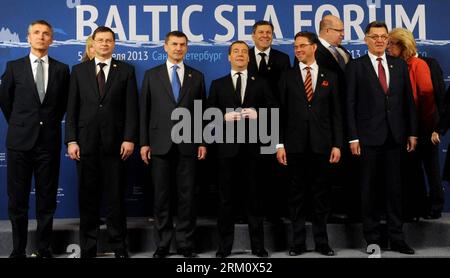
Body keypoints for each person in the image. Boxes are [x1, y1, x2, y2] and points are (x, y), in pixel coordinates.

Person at [65, 26, 139, 258]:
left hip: (116, 146)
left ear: (114, 44)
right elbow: (72, 110)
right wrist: (71, 140)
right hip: (85, 145)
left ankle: (119, 247)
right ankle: (88, 248)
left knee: (115, 199)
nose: (105, 44)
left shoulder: (126, 70)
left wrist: (129, 138)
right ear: (93, 43)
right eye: (100, 40)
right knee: (88, 199)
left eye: (109, 40)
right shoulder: (78, 70)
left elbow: (131, 109)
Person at [346, 21, 418, 255]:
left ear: (388, 40)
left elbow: (408, 101)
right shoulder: (356, 66)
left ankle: (397, 239)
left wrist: (412, 132)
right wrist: (353, 138)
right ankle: (373, 240)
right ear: (366, 39)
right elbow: (350, 104)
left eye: (383, 37)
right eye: (374, 36)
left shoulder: (399, 65)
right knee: (369, 192)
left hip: (395, 137)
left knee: (395, 191)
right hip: (367, 139)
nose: (379, 40)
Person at [0, 20, 70, 258]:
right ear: (28, 38)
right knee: (17, 200)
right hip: (19, 143)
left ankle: (44, 248)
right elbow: (6, 102)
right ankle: (18, 250)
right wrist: (22, 125)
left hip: (48, 143)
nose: (41, 36)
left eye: (46, 33)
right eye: (36, 33)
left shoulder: (62, 70)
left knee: (47, 200)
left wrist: (45, 125)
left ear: (52, 39)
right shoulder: (13, 67)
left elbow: (62, 106)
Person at [139, 31, 207, 258]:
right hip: (159, 145)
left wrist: (202, 141)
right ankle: (163, 244)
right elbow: (144, 112)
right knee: (162, 197)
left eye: (182, 45)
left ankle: (186, 243)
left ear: (187, 48)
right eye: (174, 44)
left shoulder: (196, 77)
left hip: (188, 145)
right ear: (165, 47)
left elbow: (202, 113)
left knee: (187, 198)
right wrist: (144, 143)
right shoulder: (151, 75)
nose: (178, 48)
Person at [276, 31, 342, 256]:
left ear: (314, 47)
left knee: (321, 196)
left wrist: (337, 145)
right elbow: (279, 114)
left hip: (323, 146)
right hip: (294, 147)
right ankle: (298, 243)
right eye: (295, 47)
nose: (298, 50)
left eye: (302, 46)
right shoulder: (287, 76)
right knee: (296, 196)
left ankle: (322, 243)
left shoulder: (330, 76)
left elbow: (336, 114)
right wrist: (279, 144)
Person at [208, 41, 275, 258]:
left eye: (244, 52)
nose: (240, 55)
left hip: (254, 152)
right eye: (235, 52)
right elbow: (207, 116)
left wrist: (260, 115)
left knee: (255, 200)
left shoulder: (261, 83)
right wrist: (222, 117)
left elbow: (275, 111)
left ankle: (258, 247)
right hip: (226, 152)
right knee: (225, 201)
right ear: (229, 57)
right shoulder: (218, 84)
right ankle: (224, 248)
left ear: (249, 58)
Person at [387, 28, 444, 221]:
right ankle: (417, 207)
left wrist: (429, 127)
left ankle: (435, 206)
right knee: (412, 170)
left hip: (423, 127)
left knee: (430, 167)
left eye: (391, 43)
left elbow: (427, 96)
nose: (387, 47)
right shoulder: (397, 66)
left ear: (402, 45)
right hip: (407, 128)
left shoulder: (419, 65)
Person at [248, 20, 291, 224]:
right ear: (253, 35)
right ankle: (247, 212)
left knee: (273, 171)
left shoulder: (282, 59)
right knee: (249, 171)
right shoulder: (243, 55)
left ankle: (275, 213)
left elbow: (284, 92)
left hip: (274, 119)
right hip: (247, 122)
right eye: (261, 32)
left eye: (269, 32)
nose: (265, 35)